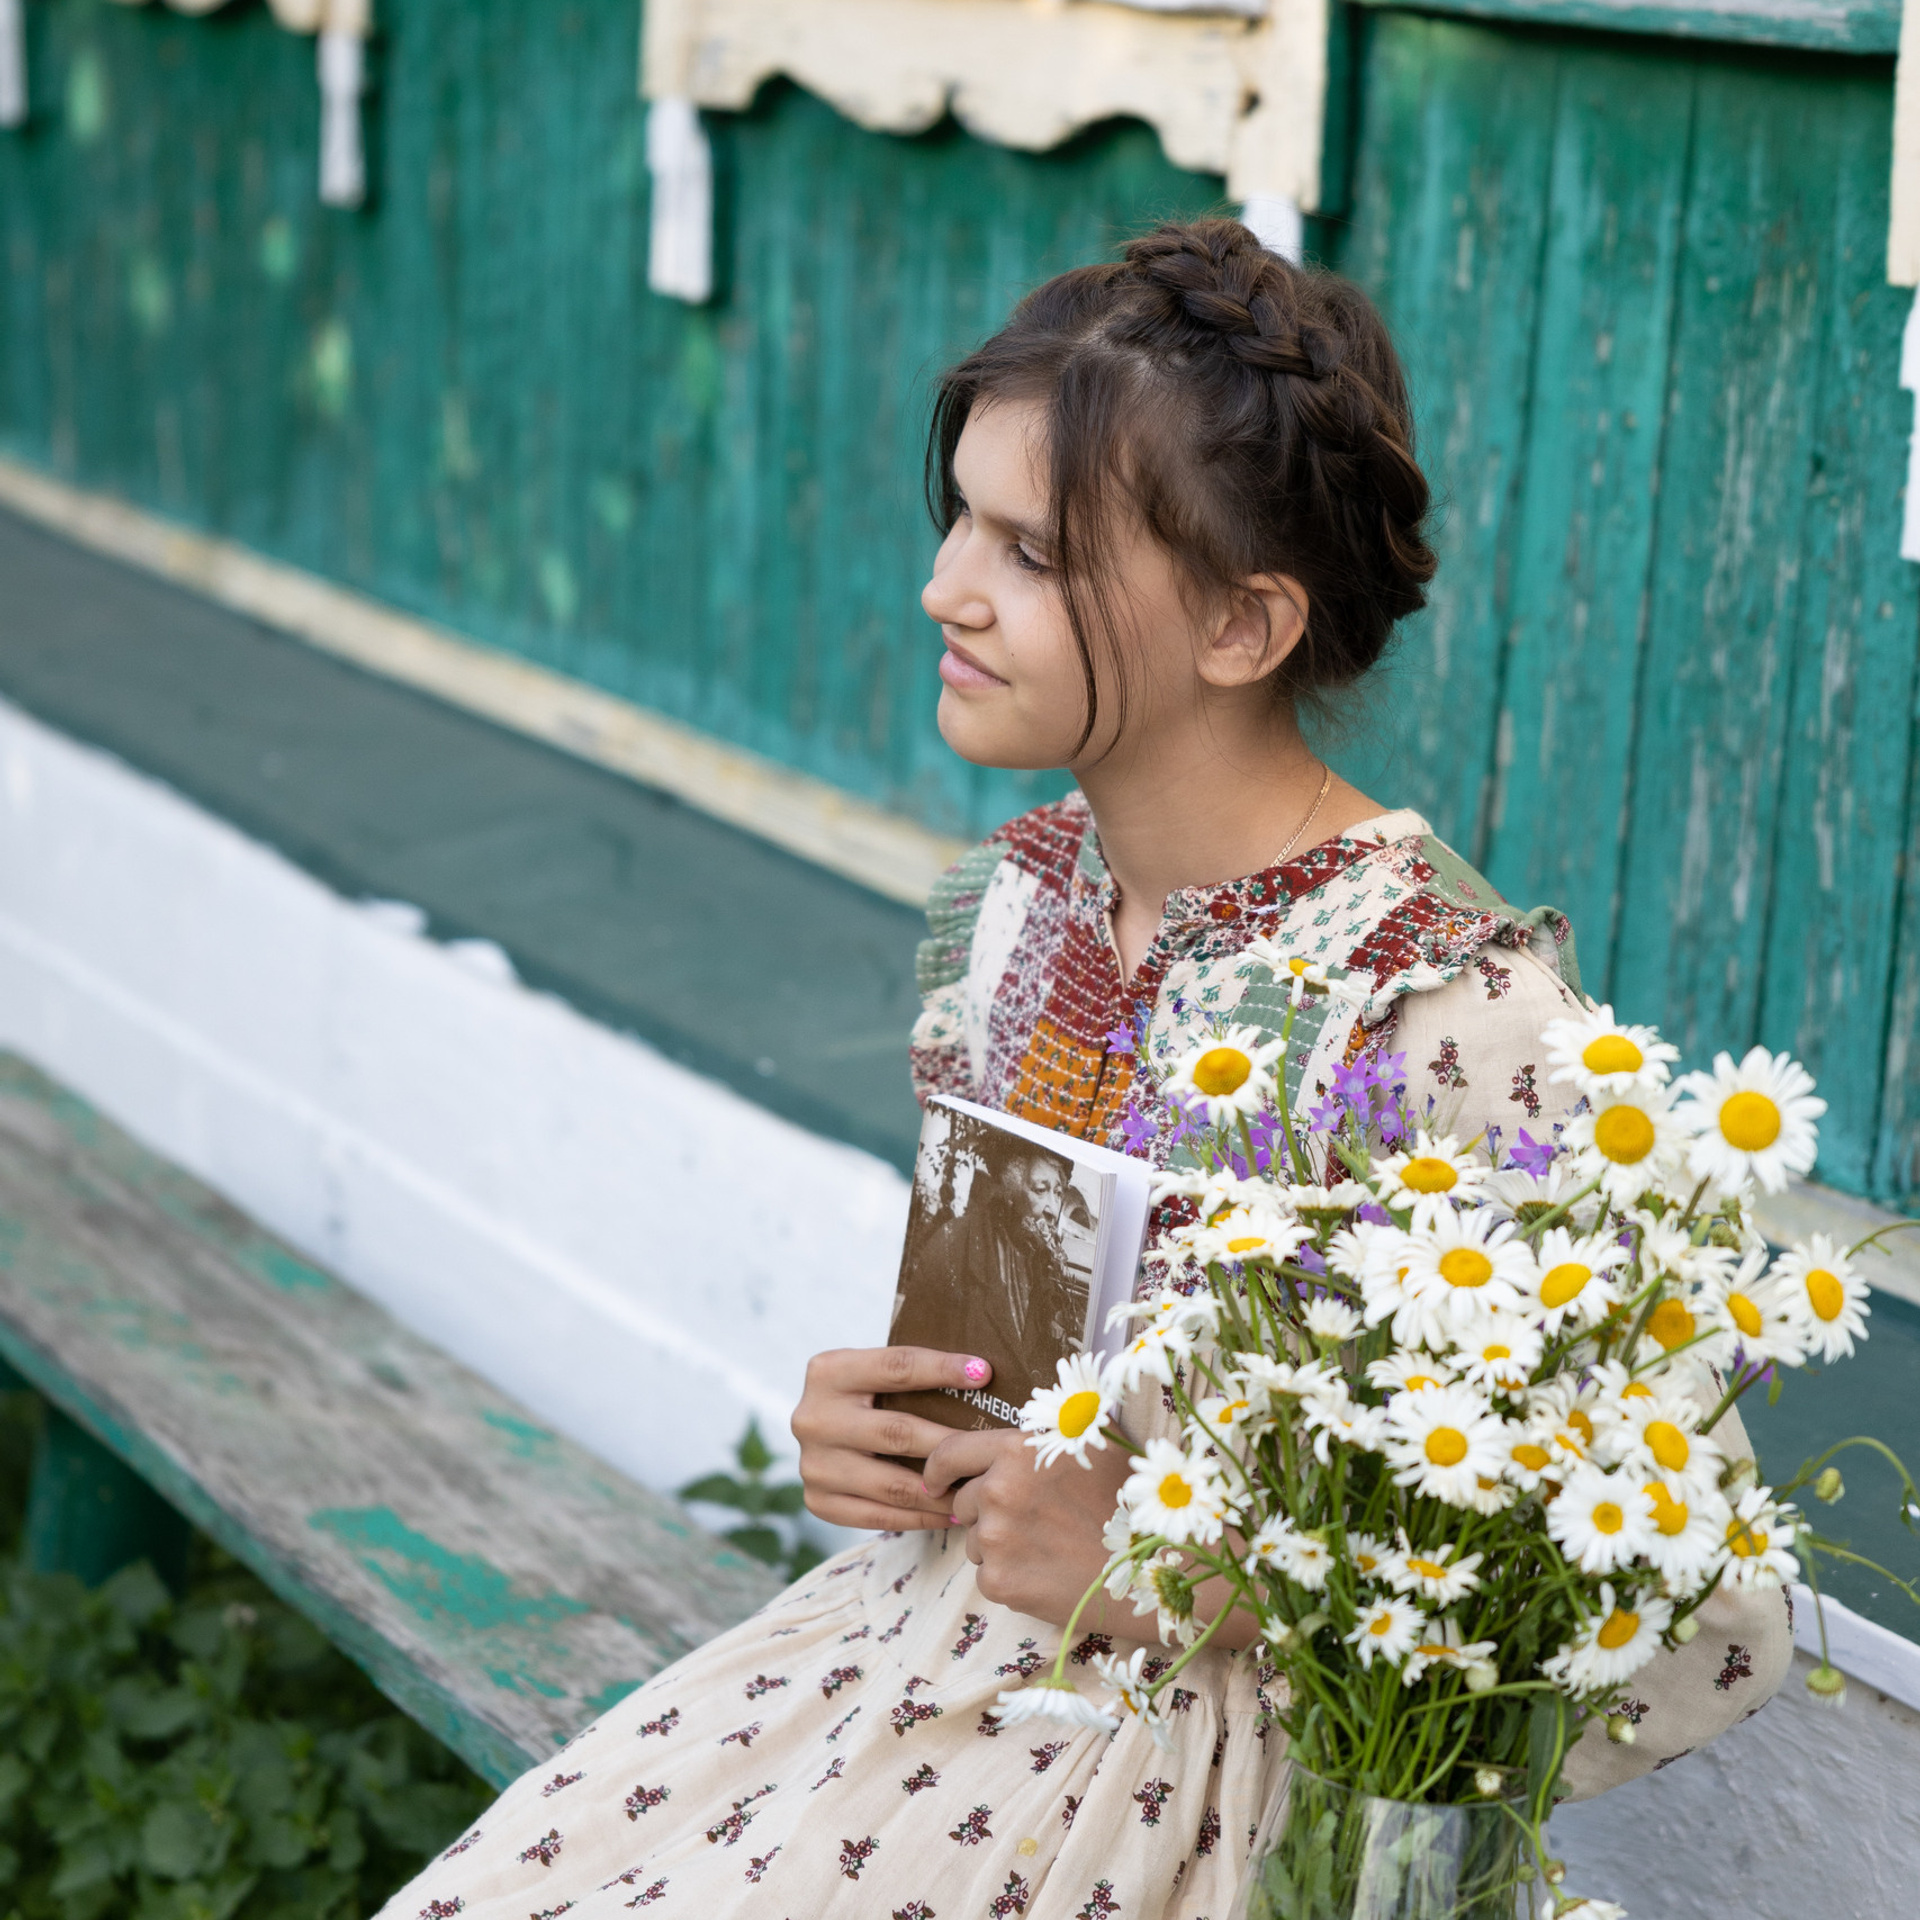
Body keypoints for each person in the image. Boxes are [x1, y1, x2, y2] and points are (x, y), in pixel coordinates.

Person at [380, 220, 1790, 1920]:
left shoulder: (1447, 1014)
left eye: (1034, 553)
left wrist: (1189, 1579)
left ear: (1243, 624)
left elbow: (1708, 1624)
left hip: (1220, 1811)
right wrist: (895, 1436)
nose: (945, 589)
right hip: (907, 1690)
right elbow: (1022, 1402)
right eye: (961, 518)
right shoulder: (1019, 901)